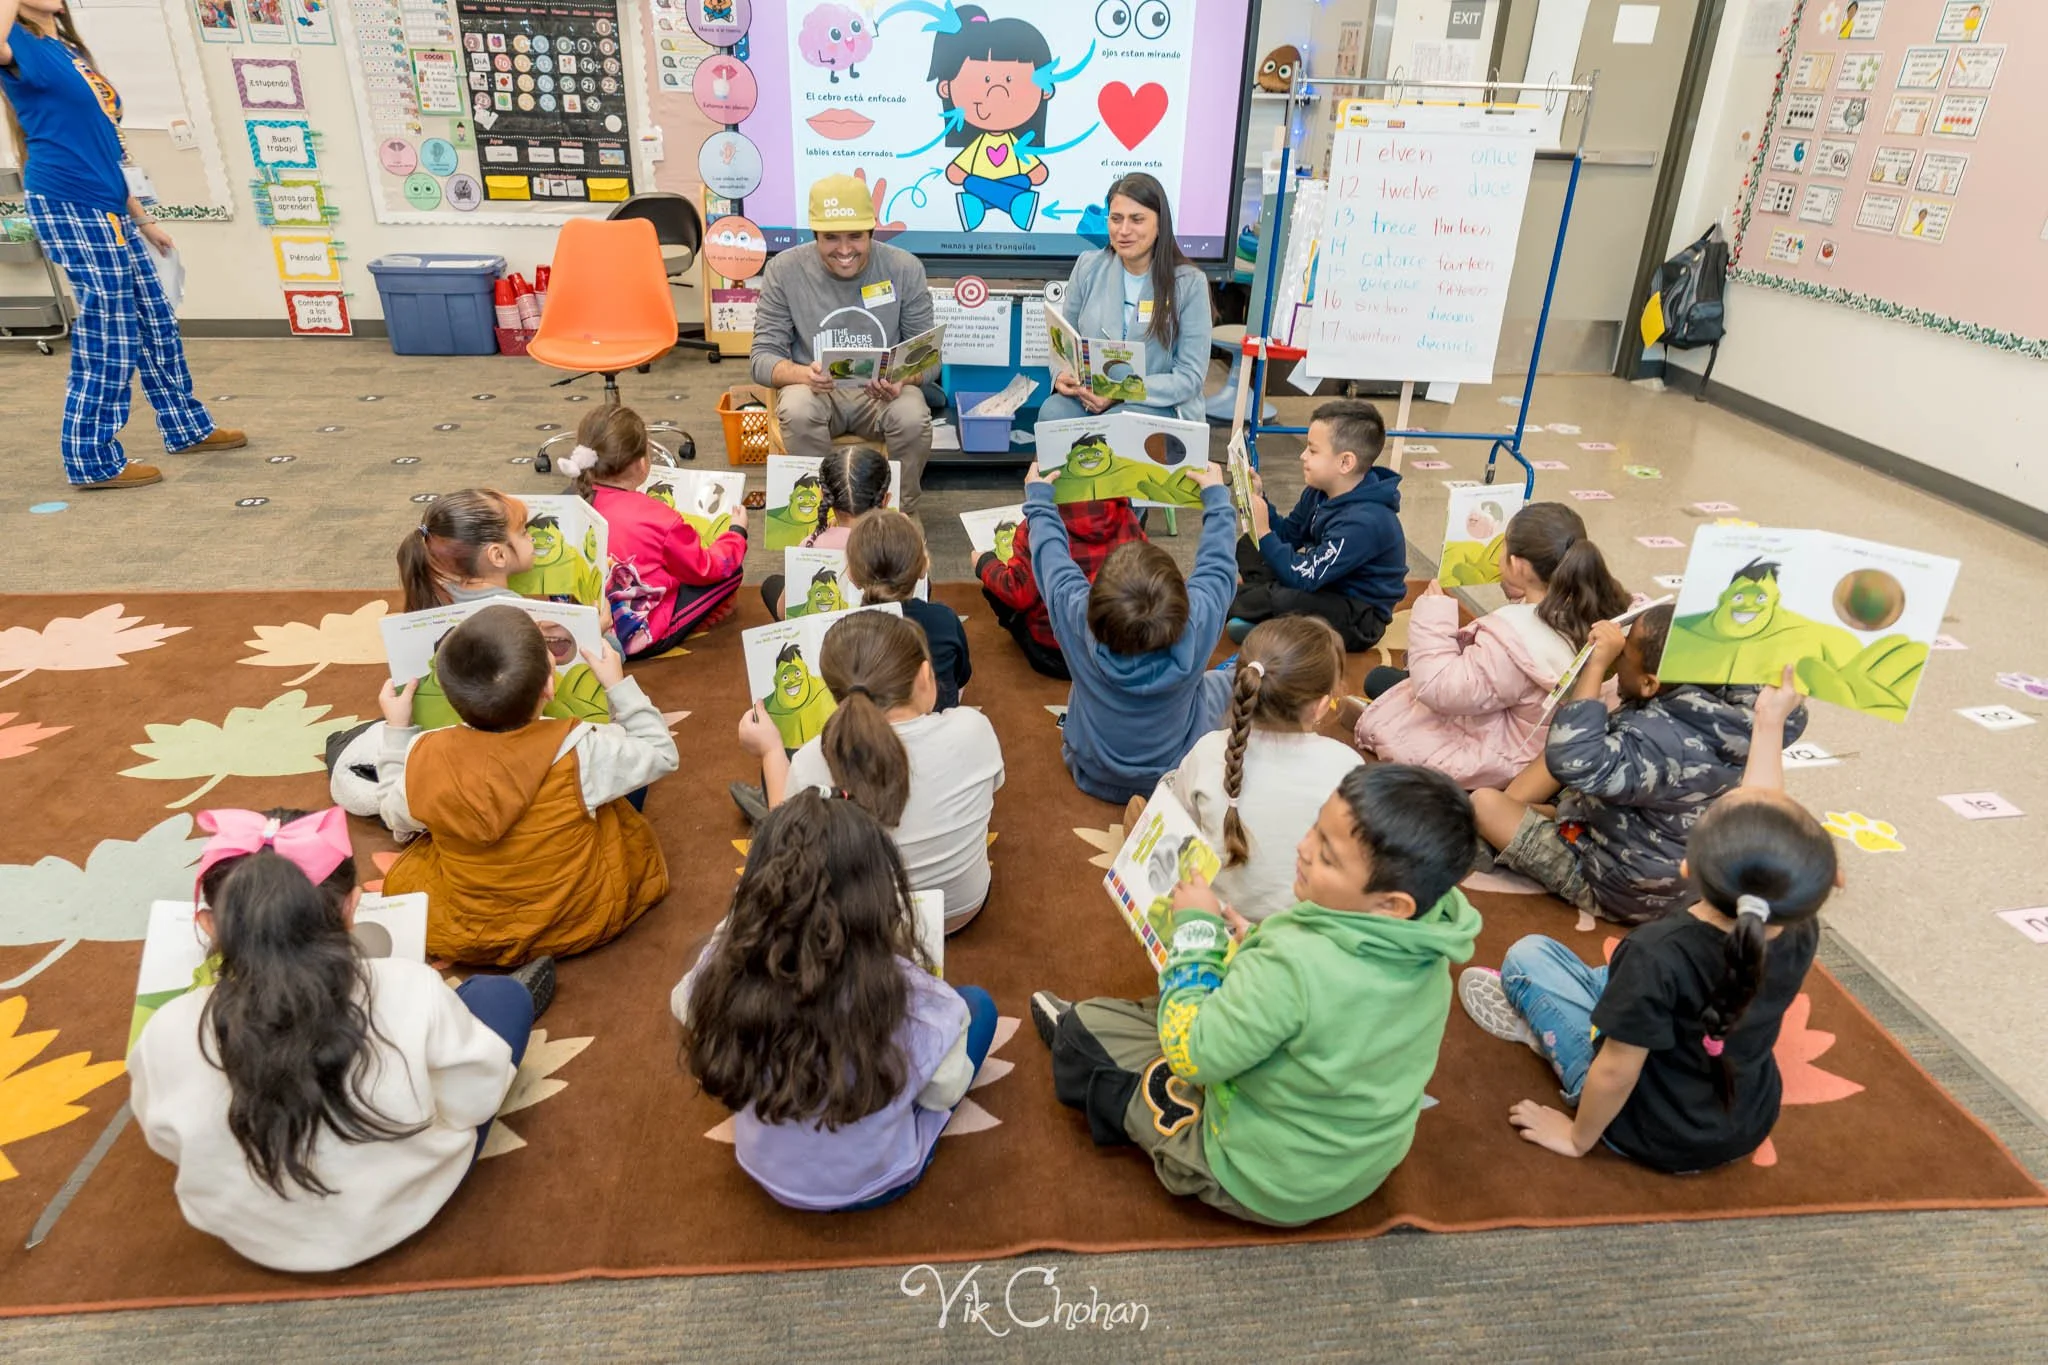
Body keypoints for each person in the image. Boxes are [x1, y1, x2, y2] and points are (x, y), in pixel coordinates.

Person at [1032, 764, 1483, 1226]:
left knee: (1087, 1031)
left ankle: (1139, 1102)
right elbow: (1333, 1005)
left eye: (1328, 857)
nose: (1303, 847)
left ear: (1391, 904)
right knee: (1199, 995)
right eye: (1315, 828)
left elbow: (1192, 1056)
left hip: (1263, 1178)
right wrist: (1254, 942)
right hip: (1359, 1162)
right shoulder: (1429, 942)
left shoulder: (1292, 964)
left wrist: (1196, 931)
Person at [128, 806, 550, 1273]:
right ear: (351, 907)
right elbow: (475, 1100)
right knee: (502, 997)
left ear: (210, 925)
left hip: (254, 1234)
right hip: (402, 1207)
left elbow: (165, 1138)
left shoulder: (165, 1029)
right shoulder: (410, 986)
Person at [1458, 675, 1838, 1172]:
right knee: (1625, 984)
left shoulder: (1657, 952)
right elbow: (1760, 816)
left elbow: (1616, 1071)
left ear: (1686, 869)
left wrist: (1576, 1139)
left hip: (1642, 1126)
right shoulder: (1797, 925)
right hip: (1747, 1119)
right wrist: (1767, 722)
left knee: (1527, 958)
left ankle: (1543, 1036)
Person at [675, 790, 999, 1211]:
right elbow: (944, 1091)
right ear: (877, 901)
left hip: (762, 1168)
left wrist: (740, 930)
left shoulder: (726, 973)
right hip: (878, 1180)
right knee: (979, 1007)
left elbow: (684, 1005)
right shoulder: (908, 997)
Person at [0, 0, 245, 490]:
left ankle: (185, 425)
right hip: (69, 201)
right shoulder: (16, 44)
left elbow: (101, 145)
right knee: (109, 331)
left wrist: (141, 217)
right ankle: (90, 457)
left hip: (108, 202)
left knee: (155, 319)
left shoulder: (65, 49)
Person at [374, 605, 676, 966]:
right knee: (616, 784)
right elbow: (660, 751)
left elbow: (394, 817)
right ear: (549, 686)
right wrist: (617, 685)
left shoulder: (424, 752)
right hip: (580, 917)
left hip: (472, 929)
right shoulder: (583, 747)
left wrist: (396, 732)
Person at [1468, 609, 1809, 926]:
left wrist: (1596, 665)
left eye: (1625, 653)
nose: (1618, 656)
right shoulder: (1753, 714)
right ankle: (1531, 819)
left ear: (1649, 684)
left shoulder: (1658, 738)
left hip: (1626, 888)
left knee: (1484, 803)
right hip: (1679, 869)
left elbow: (1572, 757)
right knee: (1565, 756)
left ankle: (1491, 834)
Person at [741, 610, 1003, 933]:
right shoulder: (973, 728)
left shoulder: (811, 759)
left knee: (781, 784)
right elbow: (990, 788)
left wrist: (770, 752)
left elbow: (785, 851)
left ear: (834, 694)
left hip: (861, 929)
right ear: (925, 675)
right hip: (961, 910)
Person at [1356, 502, 1630, 789]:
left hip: (1494, 756)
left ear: (1518, 565)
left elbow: (1437, 687)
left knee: (1388, 692)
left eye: (1502, 547)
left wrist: (1434, 615)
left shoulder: (1515, 637)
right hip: (1528, 734)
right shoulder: (1586, 605)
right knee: (1393, 684)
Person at [1024, 458, 1235, 803]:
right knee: (1227, 679)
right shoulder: (1199, 622)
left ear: (1095, 601)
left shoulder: (1077, 617)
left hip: (1091, 772)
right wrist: (1216, 500)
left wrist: (1039, 502)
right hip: (1174, 772)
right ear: (1183, 600)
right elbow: (1218, 568)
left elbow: (1052, 562)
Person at [751, 175, 933, 511]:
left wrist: (901, 377)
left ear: (871, 232)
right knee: (796, 409)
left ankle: (900, 513)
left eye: (855, 236)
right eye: (831, 237)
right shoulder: (783, 271)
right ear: (815, 235)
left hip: (880, 395)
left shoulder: (904, 268)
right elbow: (762, 359)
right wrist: (805, 375)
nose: (845, 250)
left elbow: (929, 360)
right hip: (817, 392)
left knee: (913, 414)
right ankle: (823, 514)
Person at [1167, 617, 1360, 920]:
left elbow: (1182, 829)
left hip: (1209, 916)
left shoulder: (1208, 750)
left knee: (1173, 787)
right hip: (1298, 932)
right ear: (1322, 706)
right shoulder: (1348, 766)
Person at [559, 404, 748, 657]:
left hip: (579, 629)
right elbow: (705, 568)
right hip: (635, 638)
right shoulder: (660, 517)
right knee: (731, 571)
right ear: (641, 463)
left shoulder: (567, 501)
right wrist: (737, 534)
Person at [1228, 400, 1407, 652]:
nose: (1302, 456)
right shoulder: (1319, 492)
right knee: (1250, 546)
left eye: (1312, 451)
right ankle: (1267, 614)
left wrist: (1264, 532)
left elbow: (1304, 578)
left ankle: (1236, 607)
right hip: (1324, 584)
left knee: (1287, 596)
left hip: (1358, 616)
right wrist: (1260, 501)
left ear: (1345, 462)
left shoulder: (1365, 522)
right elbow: (1288, 534)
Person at [1037, 173, 1214, 424]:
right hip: (1091, 397)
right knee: (1052, 412)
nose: (1123, 230)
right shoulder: (1087, 266)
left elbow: (1190, 376)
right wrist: (1061, 374)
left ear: (1160, 225)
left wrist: (1119, 393)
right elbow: (1064, 346)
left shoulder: (1189, 283)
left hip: (1157, 403)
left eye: (1137, 219)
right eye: (1116, 219)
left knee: (1118, 422)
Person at [976, 496, 1146, 681]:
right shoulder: (1128, 518)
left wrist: (984, 563)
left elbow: (1018, 594)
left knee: (996, 581)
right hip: (1115, 648)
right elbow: (1147, 574)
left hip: (1056, 655)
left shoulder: (1036, 526)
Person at [845, 509, 969, 710]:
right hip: (937, 716)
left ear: (852, 574)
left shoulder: (843, 632)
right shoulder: (945, 618)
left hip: (871, 724)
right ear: (924, 567)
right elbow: (962, 676)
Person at [760, 445, 893, 619]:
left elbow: (783, 612)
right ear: (885, 500)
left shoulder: (810, 544)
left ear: (823, 496)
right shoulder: (900, 544)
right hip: (883, 630)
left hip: (824, 633)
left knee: (771, 583)